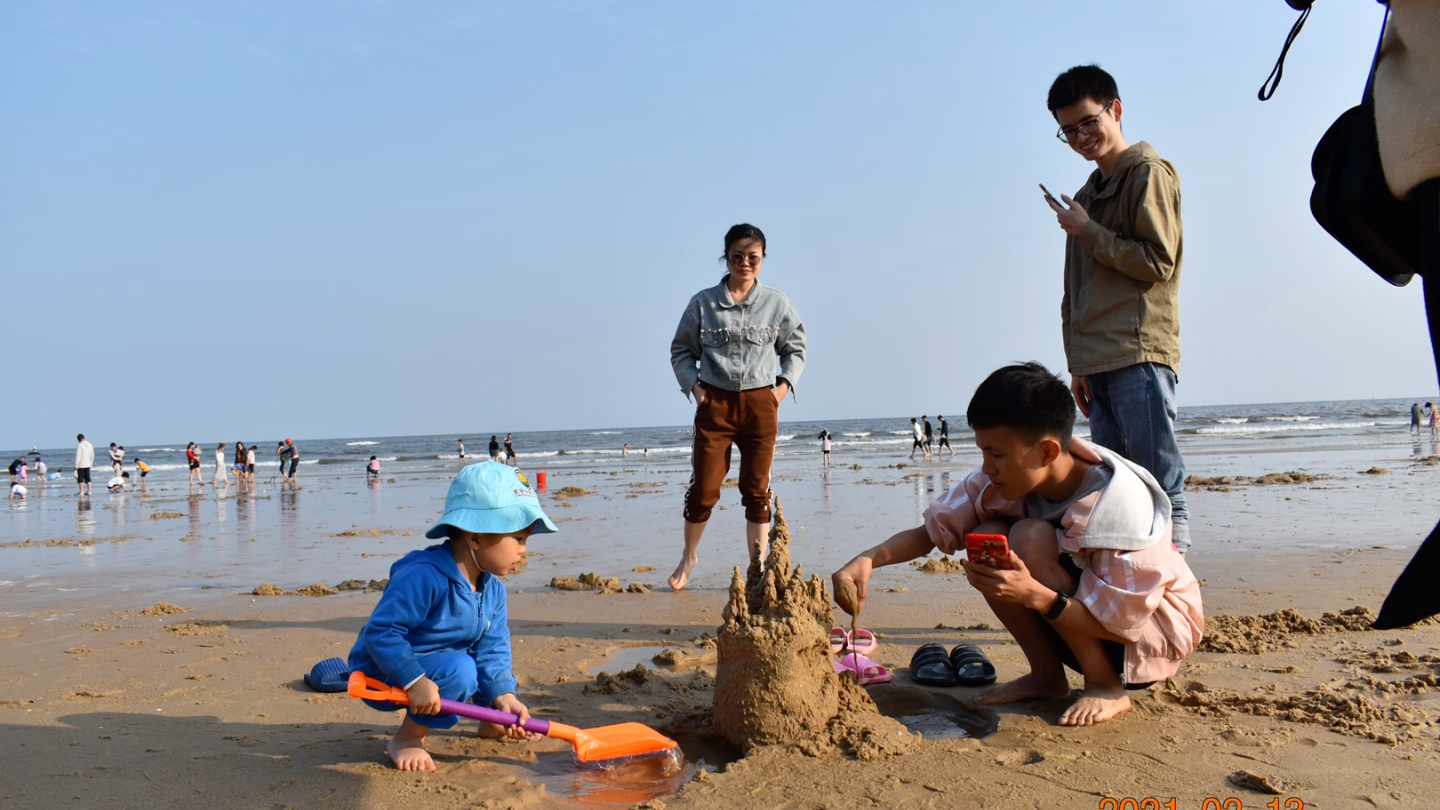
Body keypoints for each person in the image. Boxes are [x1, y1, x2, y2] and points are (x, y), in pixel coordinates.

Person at [832, 363, 1202, 726]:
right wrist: (867, 559)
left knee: (1028, 536)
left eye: (997, 454)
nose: (987, 467)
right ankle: (1047, 678)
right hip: (1078, 618)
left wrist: (1036, 595)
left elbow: (1121, 622)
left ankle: (1104, 687)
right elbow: (931, 532)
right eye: (983, 453)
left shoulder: (1121, 508)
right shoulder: (1001, 480)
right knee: (990, 533)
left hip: (1143, 641)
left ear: (1047, 452)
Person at [1045, 65, 1191, 556]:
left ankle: (1174, 589)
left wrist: (1087, 231)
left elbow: (1157, 261)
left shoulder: (1146, 174)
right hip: (1099, 361)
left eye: (1089, 122)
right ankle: (1132, 594)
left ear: (1116, 110)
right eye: (1069, 130)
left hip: (1138, 350)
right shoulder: (1086, 196)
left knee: (1160, 484)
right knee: (1121, 488)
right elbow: (1076, 289)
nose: (1081, 136)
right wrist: (1079, 365)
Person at [348, 462, 557, 771]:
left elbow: (492, 648)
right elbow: (382, 633)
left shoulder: (493, 590)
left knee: (480, 668)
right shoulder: (424, 577)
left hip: (443, 664)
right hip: (385, 670)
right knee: (461, 670)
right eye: (519, 538)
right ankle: (407, 739)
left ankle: (490, 720)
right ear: (475, 538)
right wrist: (414, 680)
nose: (524, 550)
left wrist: (504, 696)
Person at [668, 223, 807, 591]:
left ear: (762, 259)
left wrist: (782, 387)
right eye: (737, 257)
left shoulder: (777, 303)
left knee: (757, 489)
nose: (745, 263)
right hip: (715, 405)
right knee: (704, 489)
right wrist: (695, 389)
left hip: (761, 405)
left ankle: (757, 569)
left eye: (753, 257)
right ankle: (689, 556)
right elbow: (681, 350)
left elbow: (795, 347)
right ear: (726, 257)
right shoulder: (703, 303)